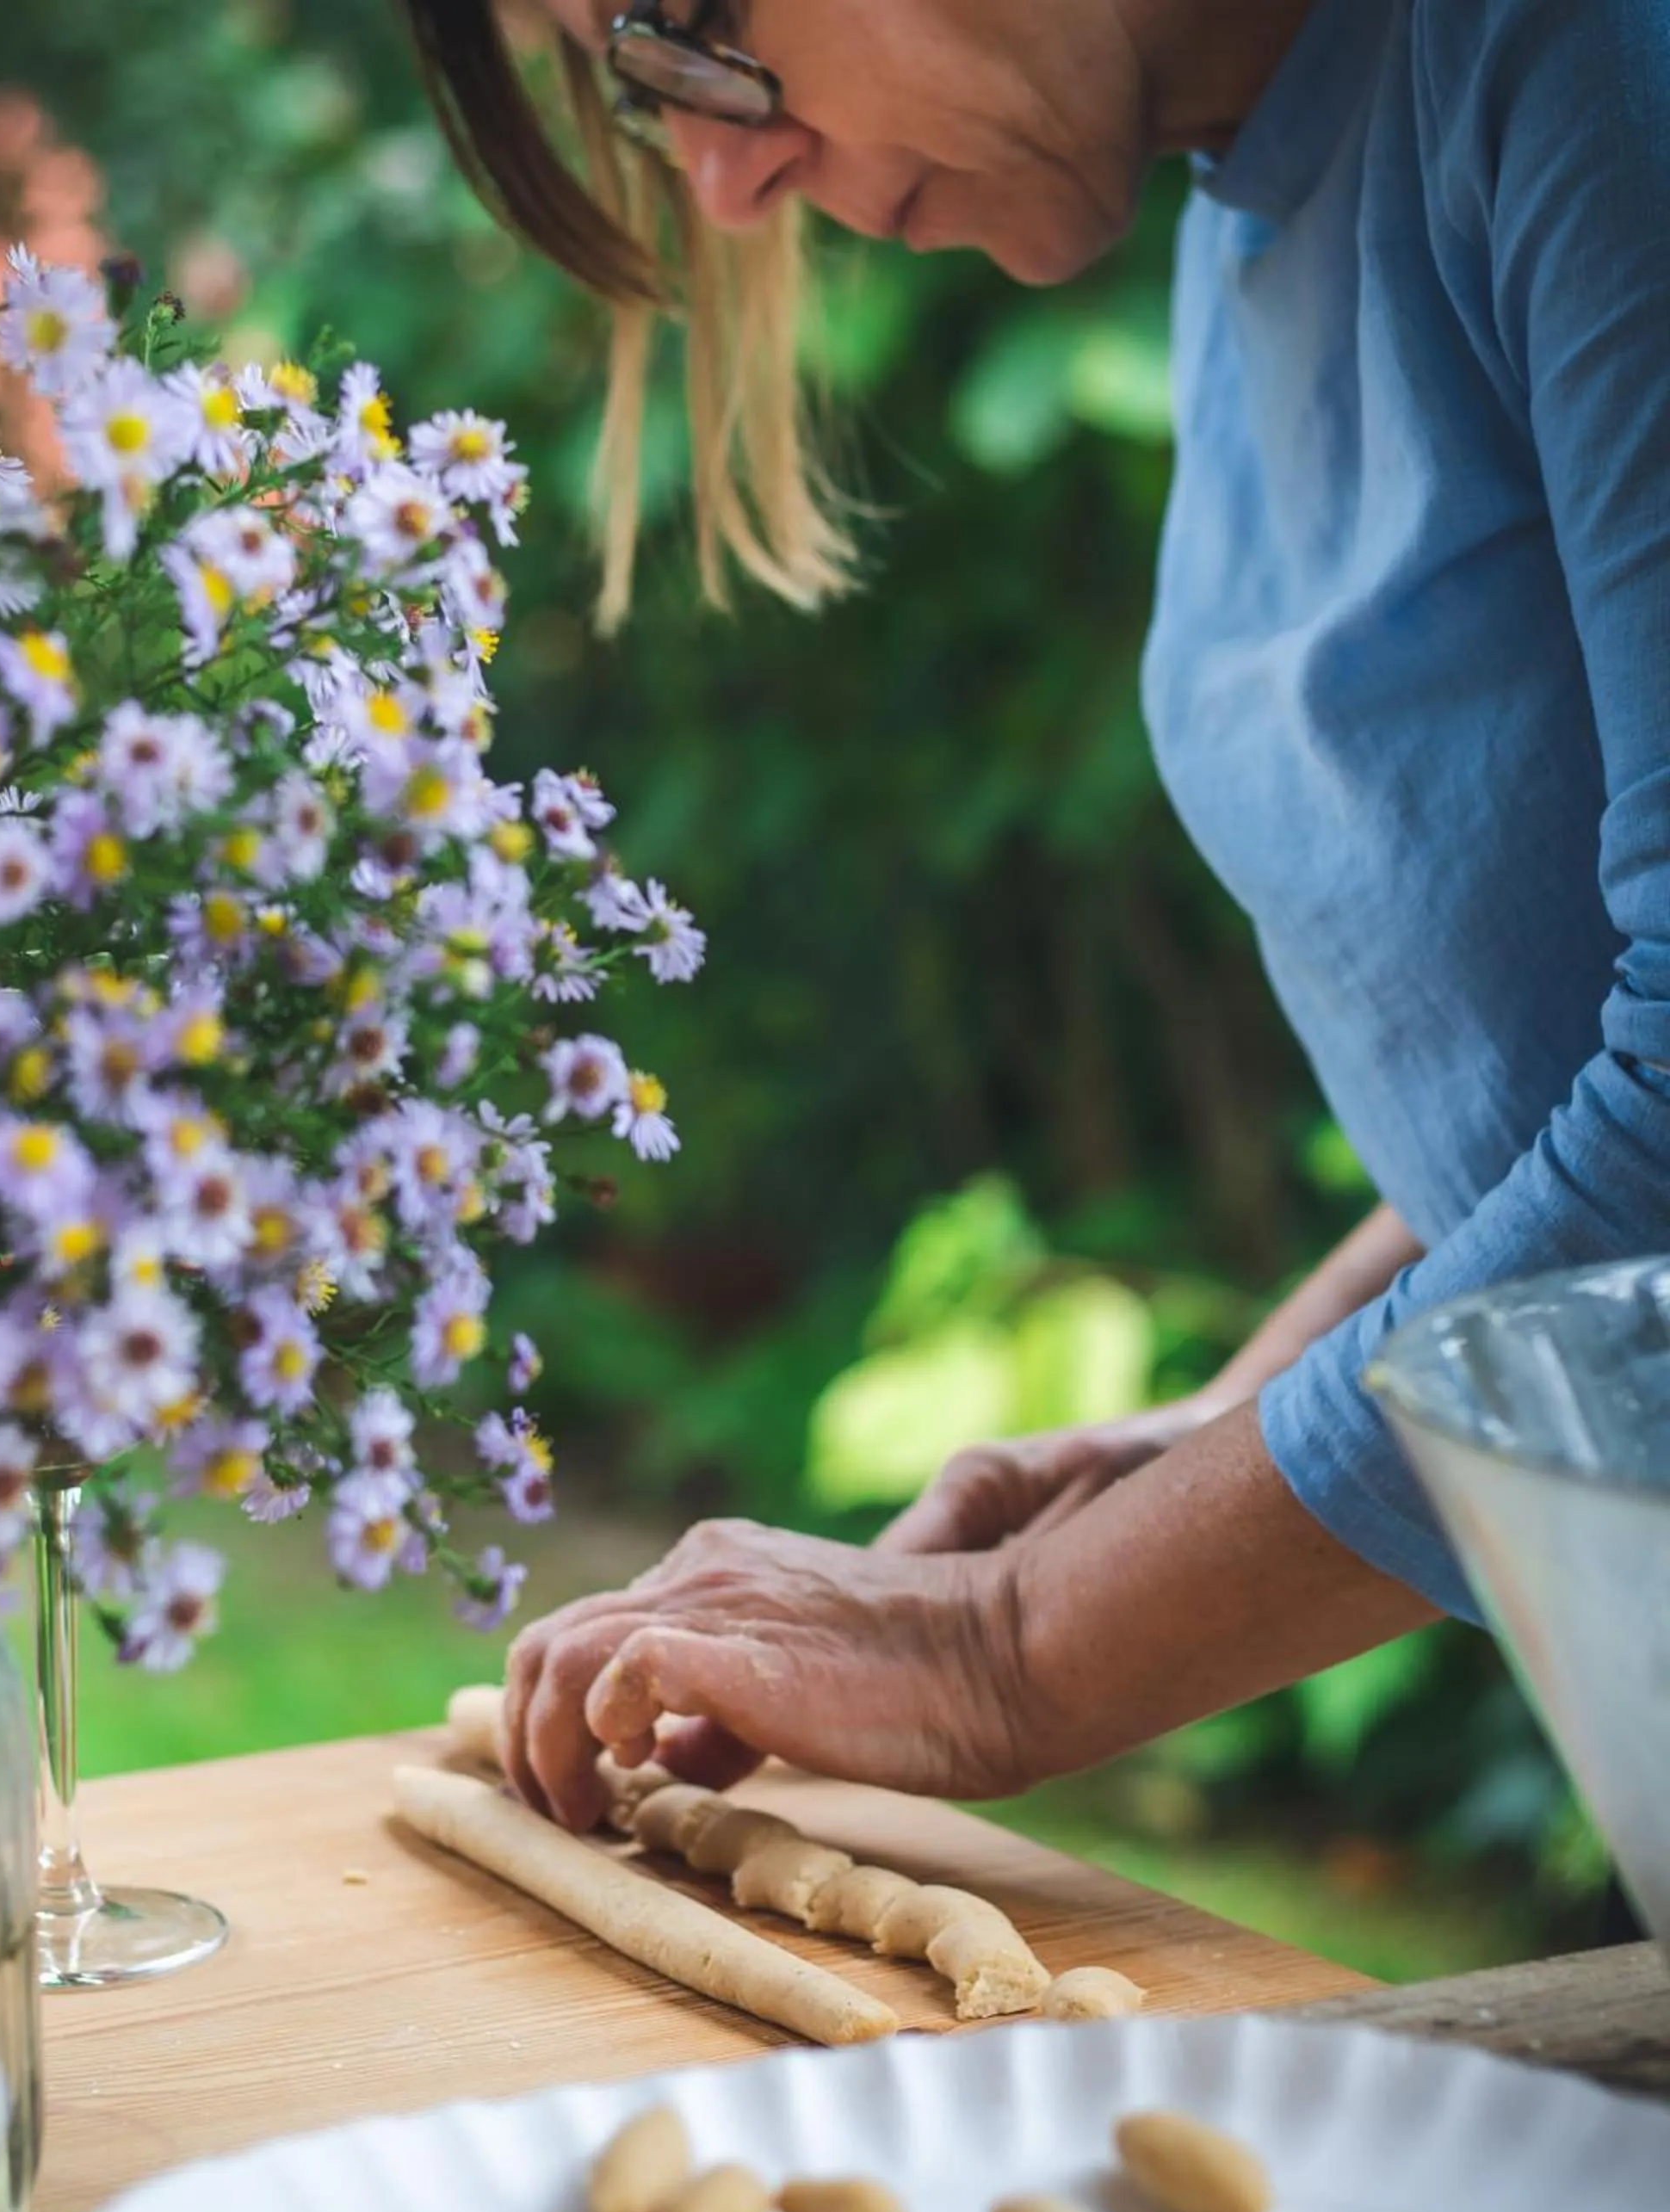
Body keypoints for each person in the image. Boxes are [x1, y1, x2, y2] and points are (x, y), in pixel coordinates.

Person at [400, 0, 1670, 1832]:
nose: (729, 177)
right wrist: (1207, 1456)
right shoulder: (1243, 183)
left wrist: (1009, 1648)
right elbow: (1564, 1077)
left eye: (685, 21)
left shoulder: (1588, 61)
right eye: (631, 87)